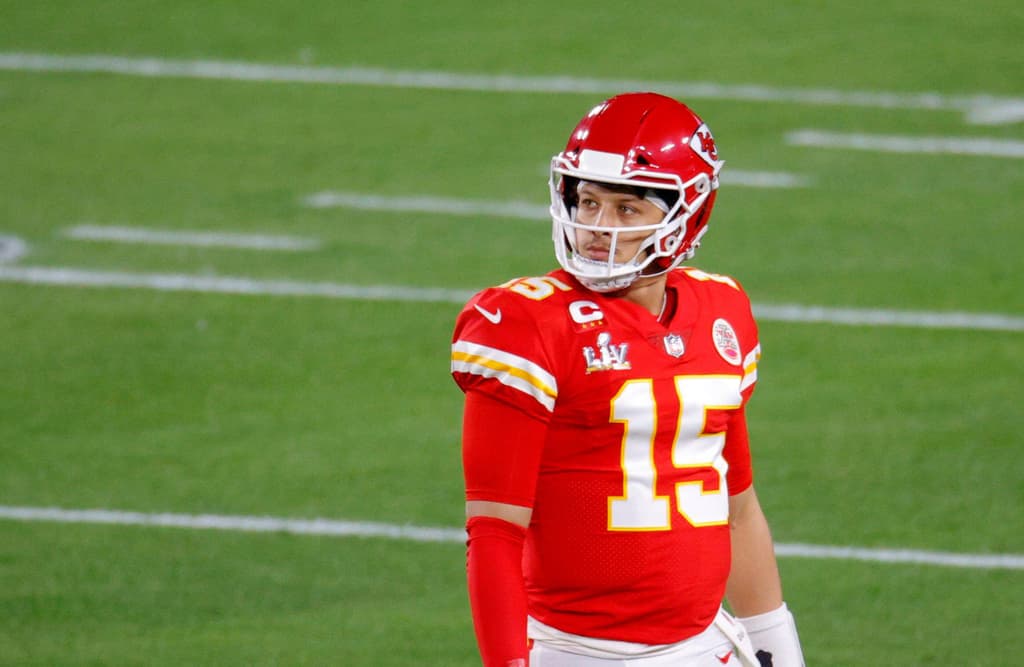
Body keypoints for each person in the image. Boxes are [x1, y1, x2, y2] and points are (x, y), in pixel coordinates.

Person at [450, 92, 805, 667]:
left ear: (686, 213)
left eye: (626, 209)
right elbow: (495, 533)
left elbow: (737, 508)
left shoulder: (721, 308)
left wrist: (777, 646)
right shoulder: (524, 323)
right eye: (588, 202)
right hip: (579, 652)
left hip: (707, 644)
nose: (596, 227)